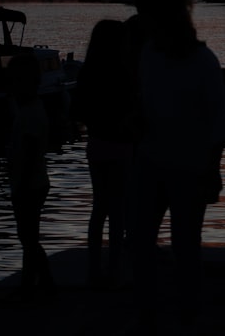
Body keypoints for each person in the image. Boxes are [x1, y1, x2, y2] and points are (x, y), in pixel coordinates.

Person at [130, 0, 225, 333]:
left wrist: (212, 170)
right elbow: (145, 103)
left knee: (185, 243)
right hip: (150, 162)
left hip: (190, 166)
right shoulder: (148, 54)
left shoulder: (204, 62)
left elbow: (218, 123)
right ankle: (148, 311)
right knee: (140, 240)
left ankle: (188, 313)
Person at [73, 18, 136, 288]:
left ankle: (94, 267)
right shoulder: (126, 73)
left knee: (99, 207)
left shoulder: (88, 74)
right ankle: (114, 267)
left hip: (97, 145)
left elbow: (78, 111)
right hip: (122, 146)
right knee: (118, 209)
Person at [4, 52, 56, 302]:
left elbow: (31, 151)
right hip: (30, 182)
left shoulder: (30, 114)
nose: (10, 87)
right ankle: (43, 284)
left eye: (14, 82)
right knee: (29, 238)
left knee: (28, 239)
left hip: (29, 185)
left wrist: (21, 184)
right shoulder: (29, 109)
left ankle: (32, 286)